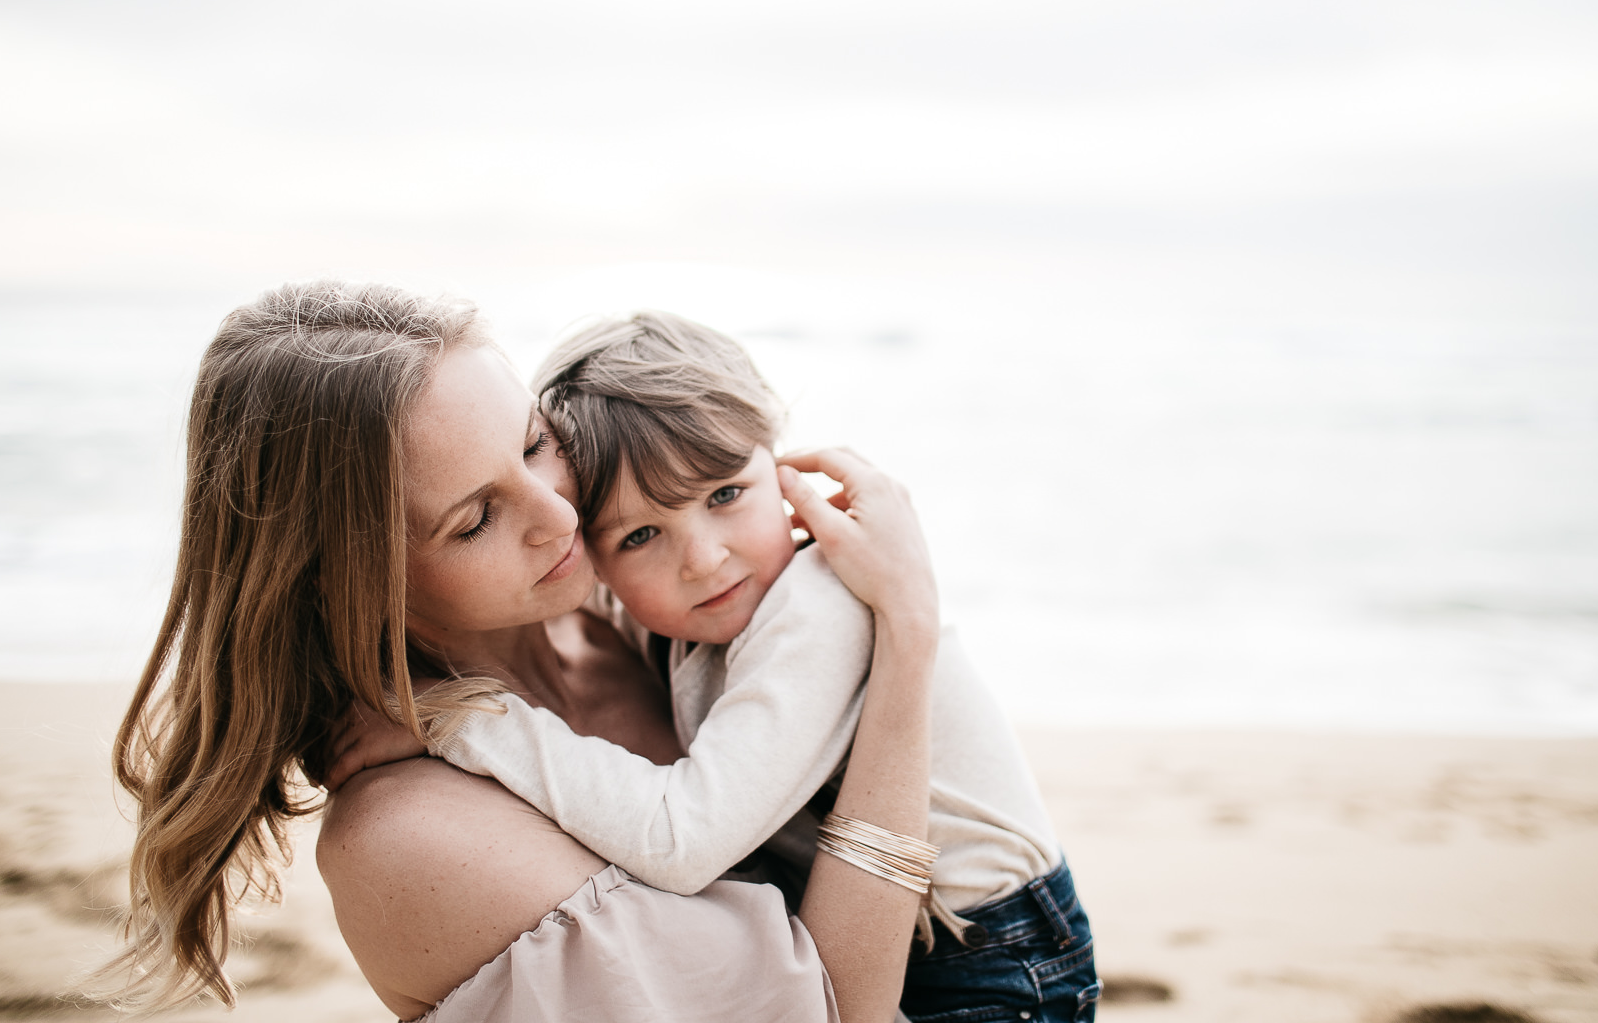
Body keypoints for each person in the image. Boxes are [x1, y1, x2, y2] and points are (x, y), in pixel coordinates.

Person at [101, 281, 943, 1023]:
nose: (562, 517)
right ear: (355, 580)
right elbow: (842, 1012)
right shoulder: (411, 836)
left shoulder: (631, 620)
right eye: (475, 520)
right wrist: (907, 638)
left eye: (537, 445)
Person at [327, 312, 1099, 1022]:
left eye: (727, 493)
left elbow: (684, 838)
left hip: (997, 953)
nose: (702, 558)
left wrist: (463, 722)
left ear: (783, 465)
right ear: (592, 550)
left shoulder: (818, 606)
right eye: (639, 536)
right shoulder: (660, 609)